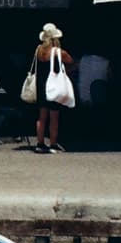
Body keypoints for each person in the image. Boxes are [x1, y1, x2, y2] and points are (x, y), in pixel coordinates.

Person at [30, 23, 73, 154]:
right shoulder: (59, 52)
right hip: (53, 87)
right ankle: (53, 144)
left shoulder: (38, 50)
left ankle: (40, 143)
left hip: (41, 85)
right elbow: (71, 62)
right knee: (54, 117)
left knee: (41, 116)